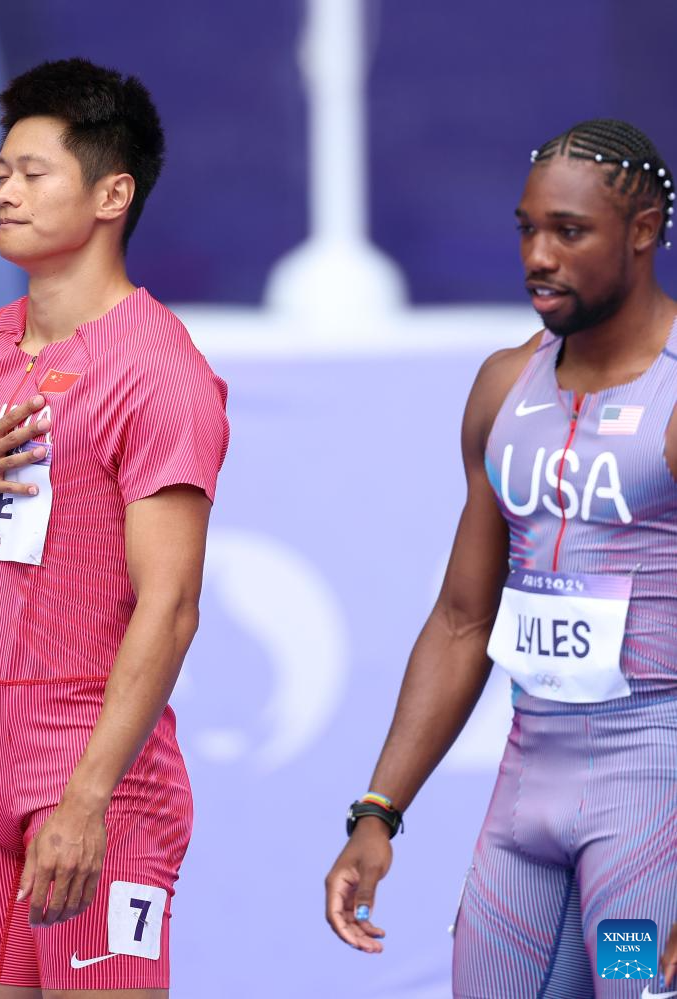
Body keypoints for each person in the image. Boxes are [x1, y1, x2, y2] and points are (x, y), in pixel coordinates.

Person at [0, 58, 229, 999]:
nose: (6, 193)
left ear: (113, 194)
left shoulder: (158, 369)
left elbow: (172, 605)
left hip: (95, 779)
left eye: (34, 174)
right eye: (1, 173)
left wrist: (87, 794)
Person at [325, 119, 677, 997]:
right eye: (527, 229)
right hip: (528, 800)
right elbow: (461, 619)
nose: (538, 257)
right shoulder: (503, 386)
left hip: (652, 802)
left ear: (642, 232)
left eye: (569, 231)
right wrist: (378, 811)